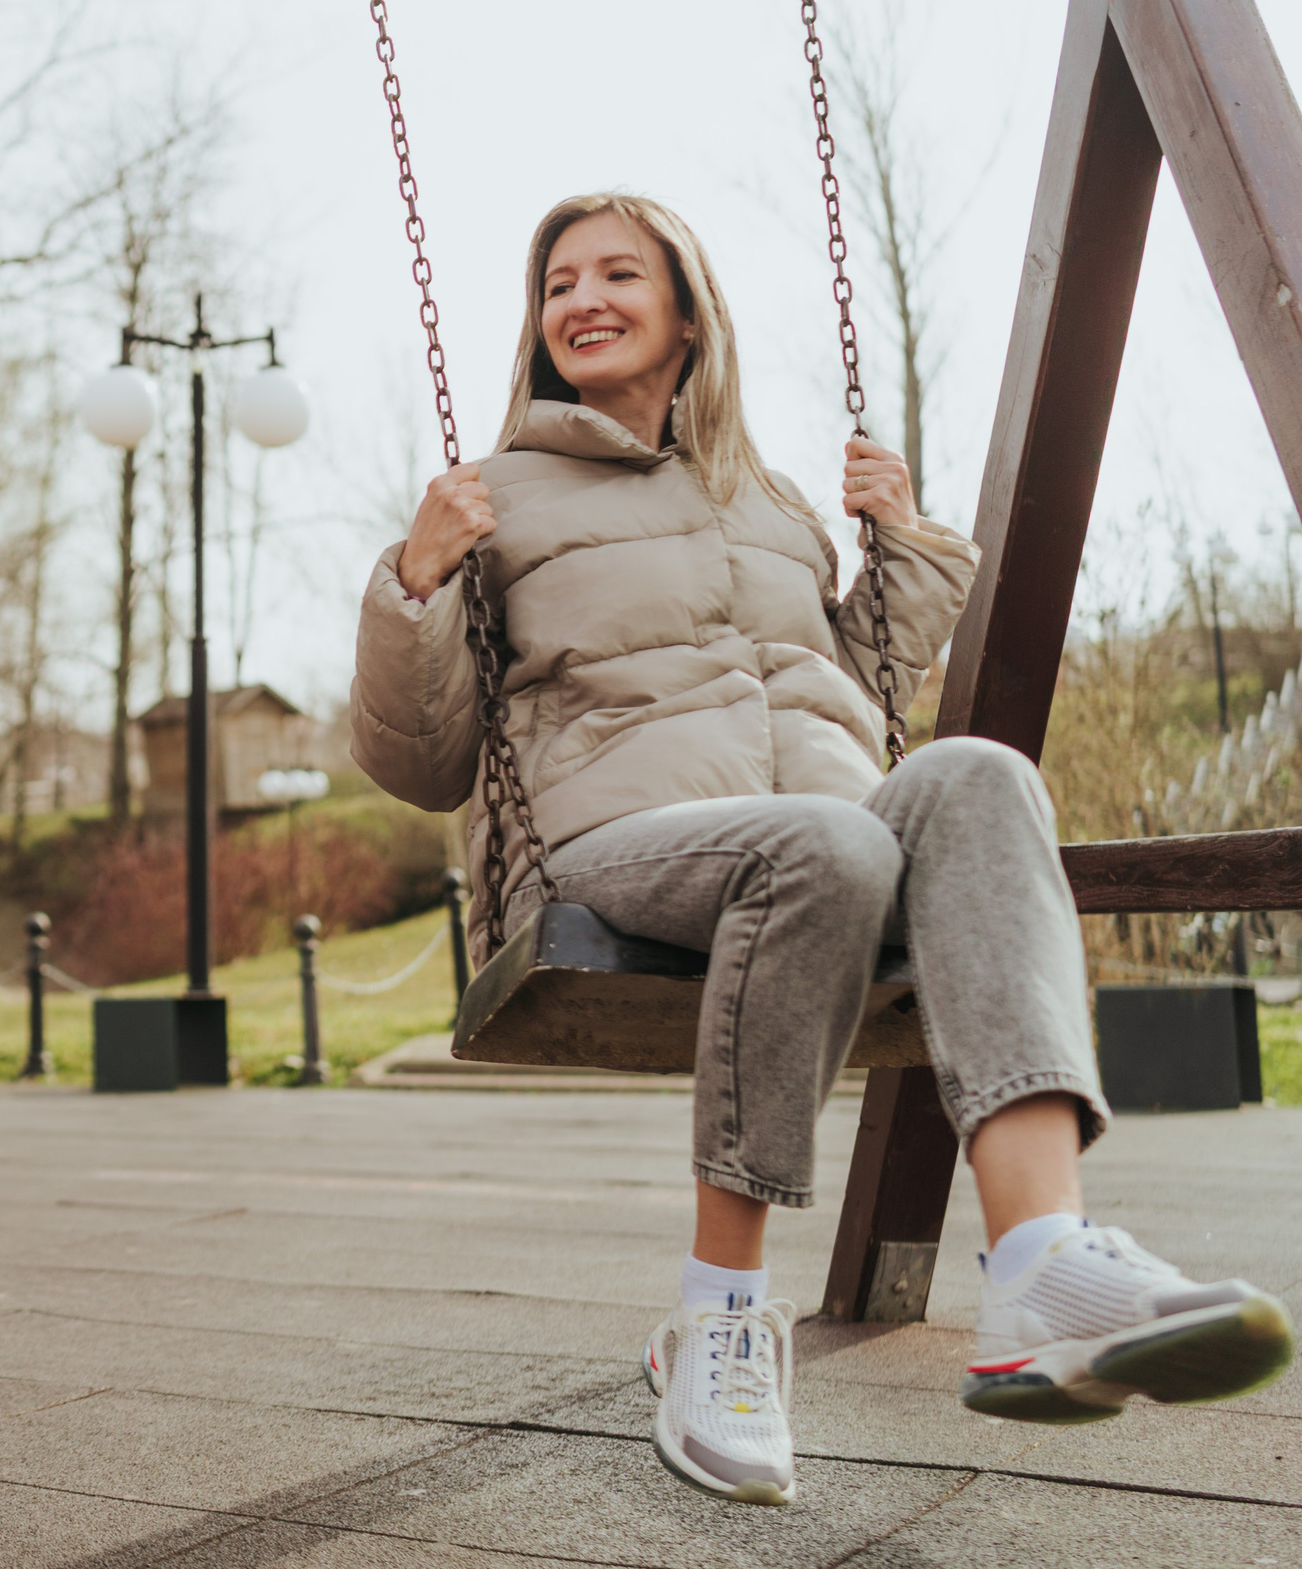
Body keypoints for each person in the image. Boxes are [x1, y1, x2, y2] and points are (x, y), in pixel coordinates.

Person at [350, 192, 1294, 1509]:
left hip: (824, 821)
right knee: (828, 846)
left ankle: (1043, 1261)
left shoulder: (773, 497)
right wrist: (414, 578)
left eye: (620, 272)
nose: (585, 299)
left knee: (978, 777)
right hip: (614, 838)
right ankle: (722, 1315)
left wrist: (900, 549)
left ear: (687, 307)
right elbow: (419, 759)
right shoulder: (490, 497)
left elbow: (844, 680)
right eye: (560, 282)